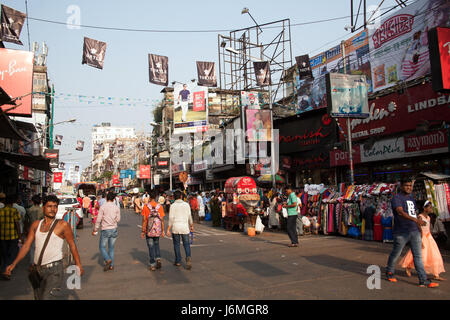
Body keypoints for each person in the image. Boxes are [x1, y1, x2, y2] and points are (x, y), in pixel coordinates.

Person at [5, 195, 84, 299]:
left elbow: (72, 245)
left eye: (55, 206)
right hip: (38, 270)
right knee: (38, 297)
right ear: (43, 208)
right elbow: (26, 246)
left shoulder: (63, 225)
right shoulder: (36, 225)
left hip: (55, 269)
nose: (52, 209)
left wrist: (78, 265)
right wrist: (13, 264)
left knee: (47, 297)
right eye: (49, 206)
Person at [385, 179, 439, 288]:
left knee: (418, 256)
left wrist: (419, 229)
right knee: (396, 253)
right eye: (406, 185)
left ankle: (423, 280)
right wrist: (416, 221)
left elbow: (413, 213)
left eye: (410, 185)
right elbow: (400, 212)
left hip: (414, 231)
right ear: (401, 186)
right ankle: (389, 272)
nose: (409, 187)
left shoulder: (411, 198)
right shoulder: (397, 198)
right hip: (401, 232)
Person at [399, 201, 446, 281]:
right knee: (420, 255)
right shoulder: (420, 217)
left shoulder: (428, 217)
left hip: (429, 237)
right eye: (429, 207)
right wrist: (420, 239)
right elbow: (419, 229)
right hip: (422, 237)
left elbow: (428, 229)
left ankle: (436, 274)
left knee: (434, 255)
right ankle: (408, 266)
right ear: (424, 208)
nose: (431, 209)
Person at [93, 192, 121, 272]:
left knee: (102, 247)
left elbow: (98, 219)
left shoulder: (103, 207)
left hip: (105, 229)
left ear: (106, 198)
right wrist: (113, 221)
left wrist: (95, 229)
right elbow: (118, 219)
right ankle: (111, 266)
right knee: (111, 248)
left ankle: (108, 259)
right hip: (114, 229)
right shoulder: (116, 207)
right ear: (114, 199)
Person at [167, 190, 193, 270]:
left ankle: (178, 261)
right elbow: (189, 216)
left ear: (174, 197)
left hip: (176, 227)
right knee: (186, 244)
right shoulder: (186, 205)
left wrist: (168, 229)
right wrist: (191, 225)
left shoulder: (173, 206)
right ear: (181, 196)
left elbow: (171, 218)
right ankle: (188, 258)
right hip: (185, 227)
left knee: (176, 244)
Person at [141, 190, 165, 271]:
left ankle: (152, 264)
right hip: (157, 229)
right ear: (156, 197)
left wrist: (143, 231)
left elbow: (144, 220)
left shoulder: (146, 206)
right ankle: (158, 258)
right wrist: (163, 230)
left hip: (149, 229)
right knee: (156, 244)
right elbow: (162, 219)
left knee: (151, 246)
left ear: (149, 197)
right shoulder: (160, 206)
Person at [0, 195, 22, 280]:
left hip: (2, 236)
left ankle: (5, 268)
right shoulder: (14, 210)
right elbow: (17, 224)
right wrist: (20, 235)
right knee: (12, 254)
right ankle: (6, 270)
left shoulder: (1, 211)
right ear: (12, 203)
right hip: (13, 236)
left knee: (5, 254)